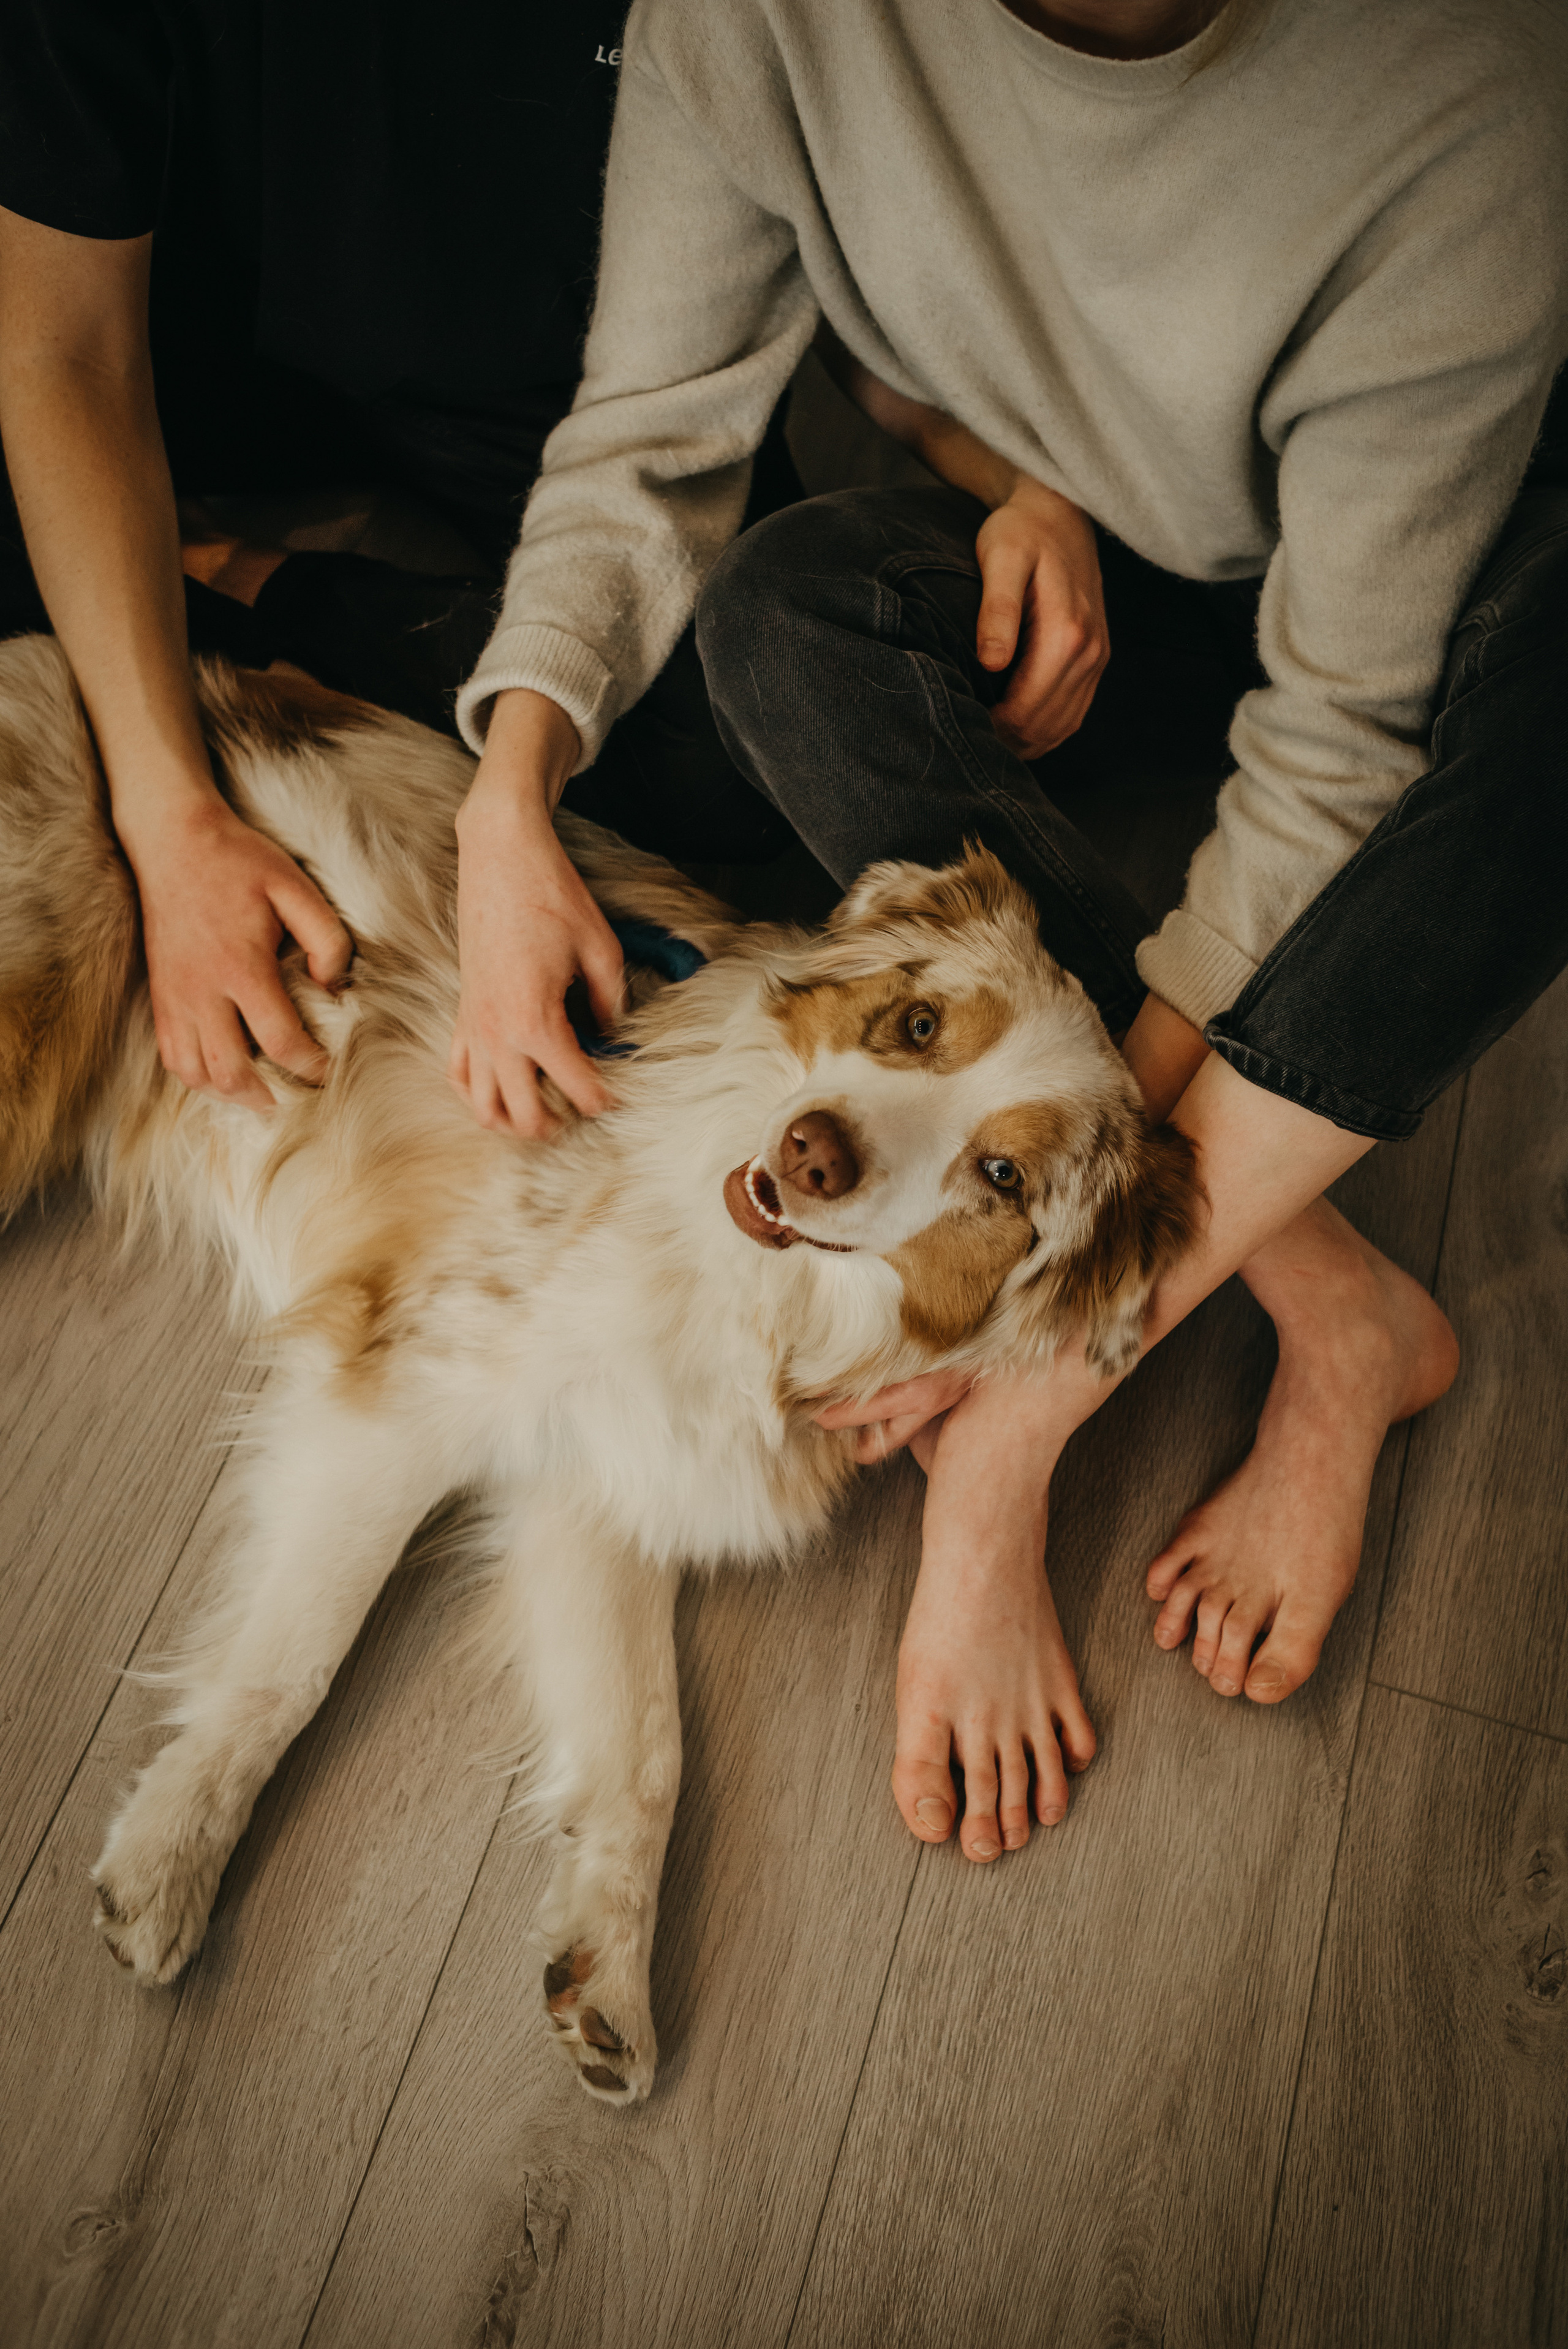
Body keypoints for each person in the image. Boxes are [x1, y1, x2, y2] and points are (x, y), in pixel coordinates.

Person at [443, 0, 1568, 1859]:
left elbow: (1334, 742)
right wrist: (509, 793)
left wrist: (1039, 1349)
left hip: (1433, 594)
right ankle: (1325, 1278)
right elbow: (653, 432)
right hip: (1087, 571)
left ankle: (1018, 1445)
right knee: (787, 612)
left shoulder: (1463, 95)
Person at [0, 0, 800, 1113]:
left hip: (540, 376)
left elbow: (791, 265)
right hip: (172, 341)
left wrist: (509, 803)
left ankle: (246, 589)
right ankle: (195, 610)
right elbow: (64, 352)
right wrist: (171, 818)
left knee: (754, 722)